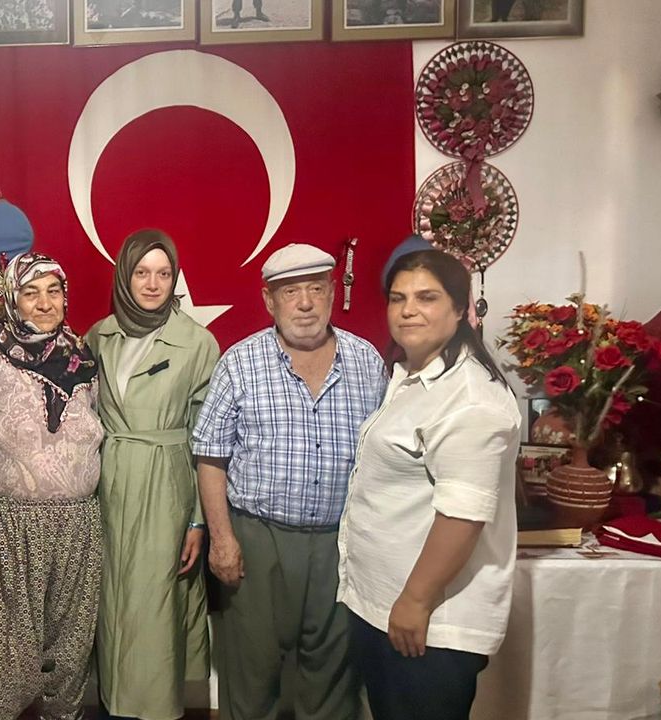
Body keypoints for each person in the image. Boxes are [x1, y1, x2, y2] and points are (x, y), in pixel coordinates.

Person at [191, 242, 386, 720]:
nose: (304, 304)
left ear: (331, 293)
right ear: (269, 300)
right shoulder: (240, 362)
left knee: (332, 678)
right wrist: (222, 540)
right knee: (252, 675)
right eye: (290, 292)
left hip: (341, 543)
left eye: (315, 290)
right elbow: (210, 457)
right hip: (258, 541)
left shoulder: (366, 362)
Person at [338, 249, 519, 720]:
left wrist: (416, 601)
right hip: (387, 607)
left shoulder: (470, 399)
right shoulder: (412, 378)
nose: (408, 310)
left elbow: (463, 515)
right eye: (398, 298)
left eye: (426, 297)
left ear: (460, 309)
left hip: (428, 623)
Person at [0, 251, 104, 720]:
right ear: (11, 298)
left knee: (69, 656)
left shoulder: (81, 355)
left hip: (77, 527)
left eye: (53, 291)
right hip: (4, 528)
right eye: (30, 292)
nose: (44, 303)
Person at [86, 230, 219, 720]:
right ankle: (111, 706)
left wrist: (199, 519)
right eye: (142, 272)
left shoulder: (198, 342)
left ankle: (159, 711)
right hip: (104, 486)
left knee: (155, 609)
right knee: (108, 603)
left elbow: (209, 440)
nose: (152, 283)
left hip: (166, 489)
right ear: (125, 275)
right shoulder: (98, 336)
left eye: (164, 273)